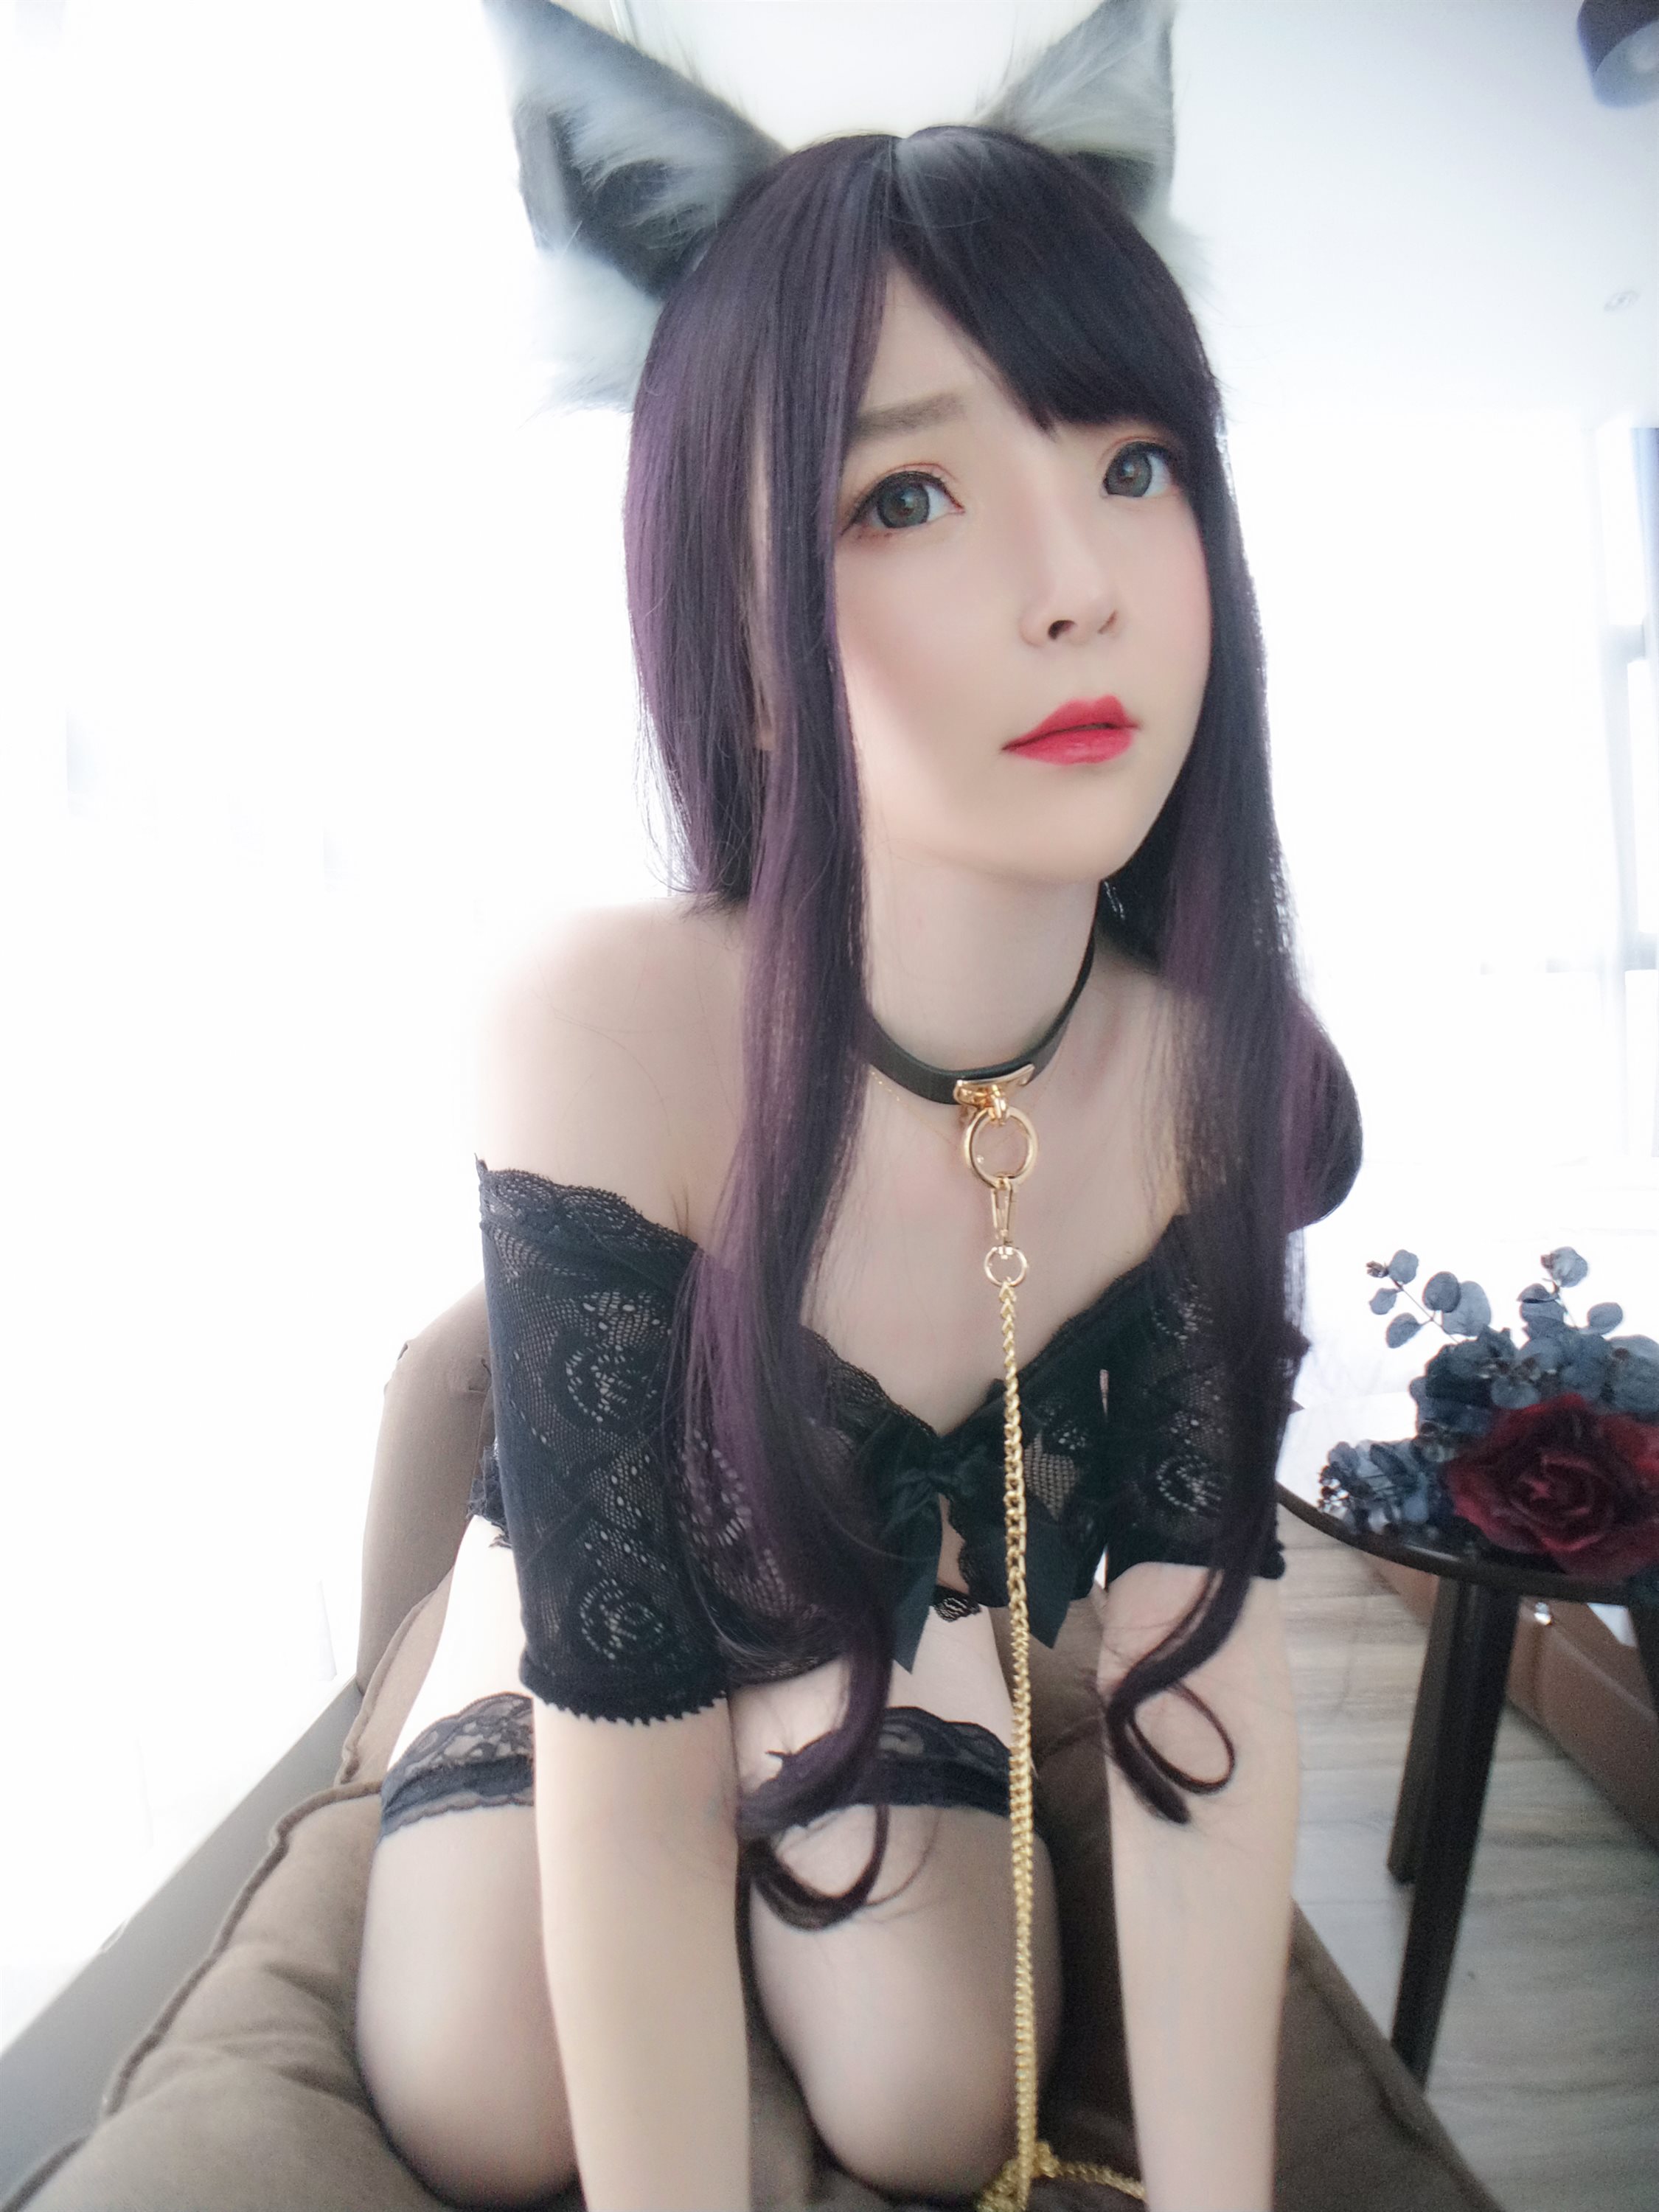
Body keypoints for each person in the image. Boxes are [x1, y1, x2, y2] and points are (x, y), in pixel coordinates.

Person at [353, 9, 1363, 2211]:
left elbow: (1203, 1666)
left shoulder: (1217, 1076)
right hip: (591, 1639)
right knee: (490, 2097)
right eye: (904, 496)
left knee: (934, 2099)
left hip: (895, 1628)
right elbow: (624, 1743)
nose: (1076, 581)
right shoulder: (605, 1023)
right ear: (729, 601)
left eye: (1133, 465)